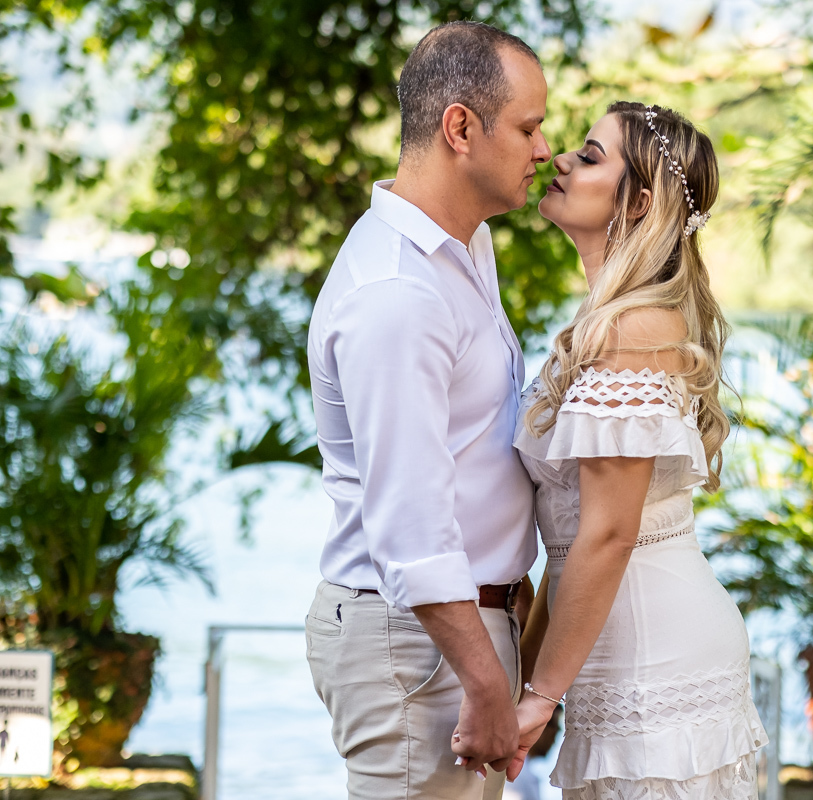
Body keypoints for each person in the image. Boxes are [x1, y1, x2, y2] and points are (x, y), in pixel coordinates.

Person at [303, 21, 551, 800]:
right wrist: (483, 684)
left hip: (456, 636)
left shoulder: (464, 251)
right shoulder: (398, 294)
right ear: (460, 128)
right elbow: (411, 525)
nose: (544, 149)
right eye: (529, 127)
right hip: (419, 645)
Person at [508, 102, 768, 798]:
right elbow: (565, 554)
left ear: (640, 201)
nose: (560, 158)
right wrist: (524, 681)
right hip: (612, 671)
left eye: (591, 156)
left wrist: (539, 698)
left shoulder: (635, 328)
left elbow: (610, 532)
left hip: (659, 673)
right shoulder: (606, 321)